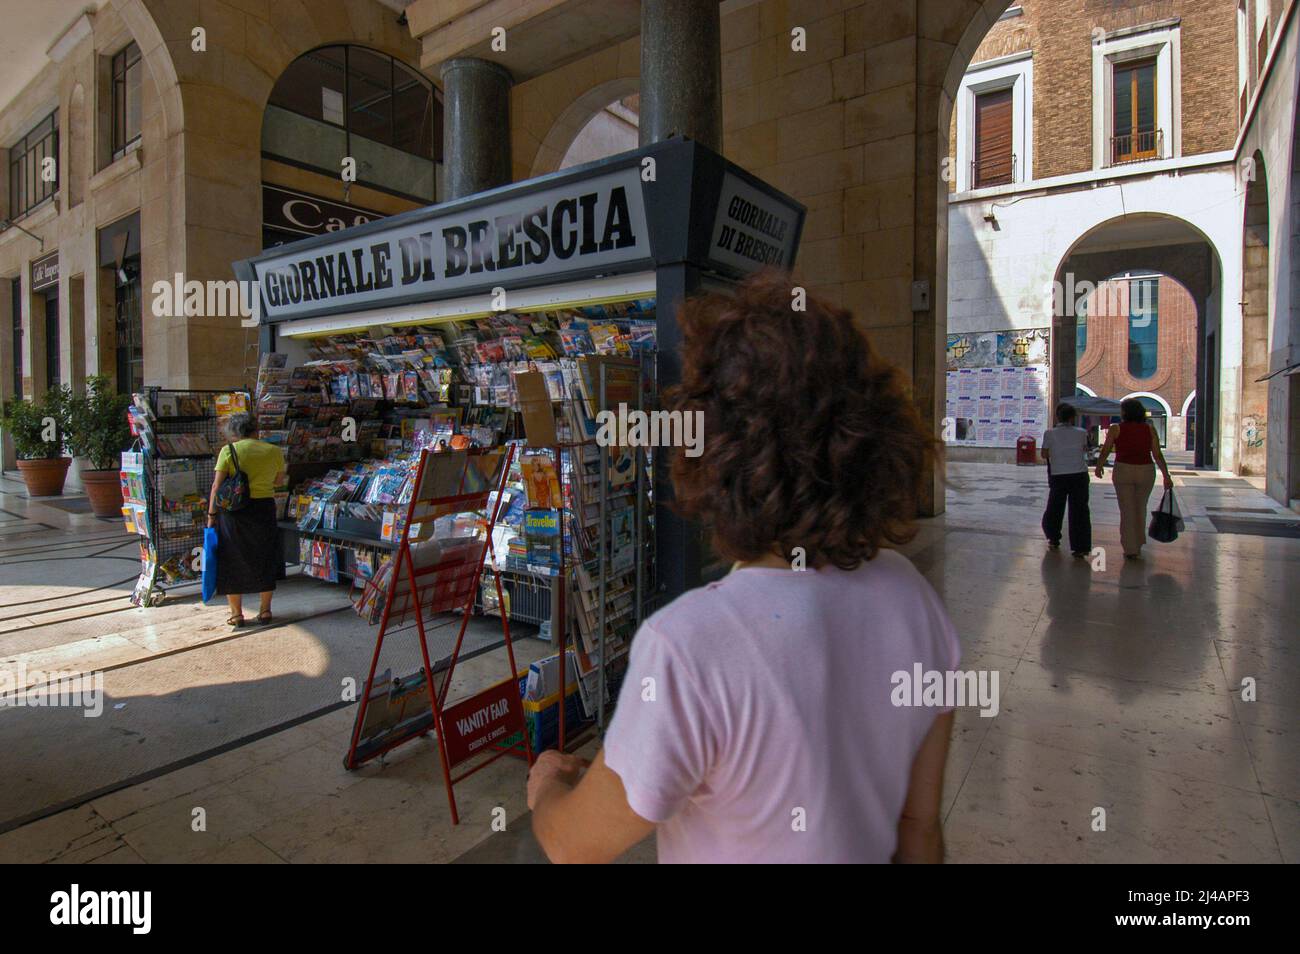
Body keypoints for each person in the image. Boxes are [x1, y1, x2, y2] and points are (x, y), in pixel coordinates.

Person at [526, 271, 960, 863]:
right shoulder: (912, 598)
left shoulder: (688, 646)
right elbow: (919, 830)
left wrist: (548, 785)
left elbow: (573, 843)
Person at [206, 413, 287, 626]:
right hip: (264, 509)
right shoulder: (274, 451)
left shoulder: (228, 451)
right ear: (256, 430)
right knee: (264, 556)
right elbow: (278, 481)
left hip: (234, 511)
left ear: (234, 432)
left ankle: (236, 614)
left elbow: (216, 486)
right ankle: (265, 610)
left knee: (232, 557)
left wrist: (211, 515)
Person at [1094, 398, 1173, 559]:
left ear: (1125, 412)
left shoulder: (1116, 428)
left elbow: (1106, 449)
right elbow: (1157, 454)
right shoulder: (1150, 429)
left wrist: (1099, 466)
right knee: (1140, 507)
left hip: (1123, 470)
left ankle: (1130, 548)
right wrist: (1166, 475)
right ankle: (1138, 542)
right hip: (1146, 470)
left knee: (1127, 510)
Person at [1040, 402, 1092, 556]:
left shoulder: (1049, 433)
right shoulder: (1082, 432)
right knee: (1080, 510)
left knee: (1055, 508)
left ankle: (1053, 537)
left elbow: (1044, 454)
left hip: (1058, 475)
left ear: (1057, 417)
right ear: (1072, 418)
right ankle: (1080, 547)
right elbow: (1085, 449)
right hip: (1079, 475)